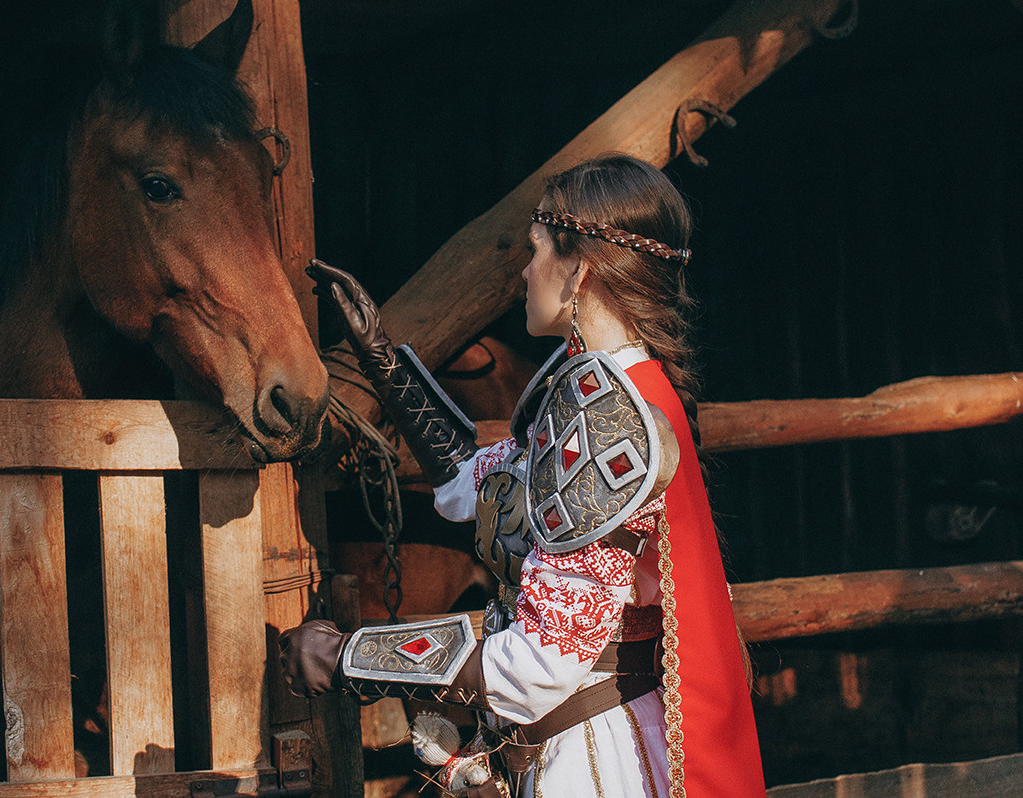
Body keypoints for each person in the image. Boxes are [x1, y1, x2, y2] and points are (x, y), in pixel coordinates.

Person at [282, 153, 764, 797]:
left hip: (594, 762)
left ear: (580, 270)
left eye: (536, 251)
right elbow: (480, 488)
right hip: (582, 740)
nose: (523, 272)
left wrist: (344, 657)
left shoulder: (606, 423)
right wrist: (383, 363)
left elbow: (539, 666)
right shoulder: (608, 395)